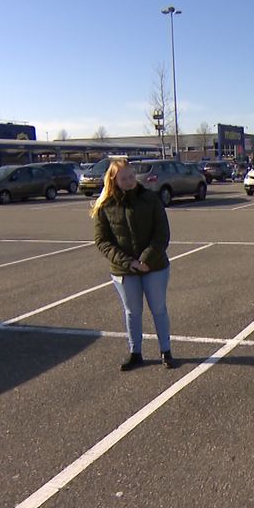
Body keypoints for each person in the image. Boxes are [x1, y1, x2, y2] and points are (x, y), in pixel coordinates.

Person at [90, 159, 174, 371]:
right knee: (132, 312)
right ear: (113, 180)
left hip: (154, 267)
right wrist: (129, 263)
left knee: (158, 309)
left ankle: (166, 351)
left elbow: (162, 234)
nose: (128, 181)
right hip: (124, 270)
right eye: (123, 178)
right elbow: (102, 241)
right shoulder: (105, 206)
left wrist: (145, 260)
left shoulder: (150, 199)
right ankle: (135, 353)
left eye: (130, 177)